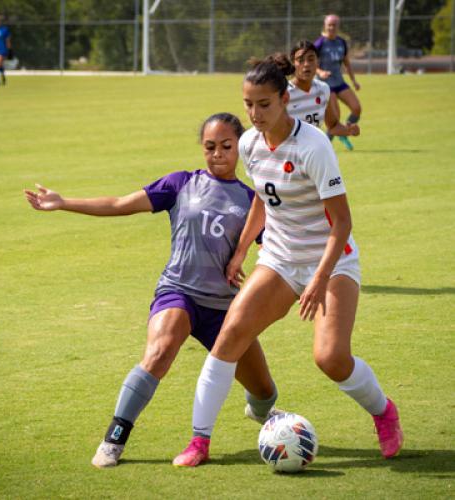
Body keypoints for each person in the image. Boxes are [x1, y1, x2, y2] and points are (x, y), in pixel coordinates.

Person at [173, 58, 403, 467]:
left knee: (330, 358)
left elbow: (343, 222)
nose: (255, 114)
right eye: (248, 104)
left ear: (284, 100)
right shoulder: (248, 144)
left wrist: (318, 278)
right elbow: (263, 196)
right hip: (279, 258)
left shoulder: (313, 147)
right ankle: (199, 442)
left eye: (264, 104)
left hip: (331, 259)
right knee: (229, 337)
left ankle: (384, 413)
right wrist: (243, 249)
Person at [24, 112, 281, 469]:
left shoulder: (253, 202)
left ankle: (261, 412)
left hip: (225, 308)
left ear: (240, 147)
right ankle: (115, 437)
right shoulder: (180, 184)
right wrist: (63, 202)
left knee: (265, 393)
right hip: (178, 292)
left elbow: (277, 254)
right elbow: (119, 204)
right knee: (160, 352)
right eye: (209, 147)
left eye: (226, 146)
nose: (218, 154)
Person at [284, 40, 359, 140]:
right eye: (300, 60)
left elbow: (332, 126)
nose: (306, 64)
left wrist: (348, 130)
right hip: (290, 153)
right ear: (293, 63)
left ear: (318, 61)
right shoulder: (284, 93)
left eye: (311, 59)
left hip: (313, 153)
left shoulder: (323, 89)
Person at [314, 14, 361, 151]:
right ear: (325, 26)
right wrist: (320, 72)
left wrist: (354, 80)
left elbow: (347, 63)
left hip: (339, 82)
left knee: (357, 108)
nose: (332, 27)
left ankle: (344, 131)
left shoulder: (341, 42)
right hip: (326, 85)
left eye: (334, 25)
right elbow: (310, 63)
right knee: (334, 118)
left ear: (338, 27)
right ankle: (325, 145)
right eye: (329, 25)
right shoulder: (319, 43)